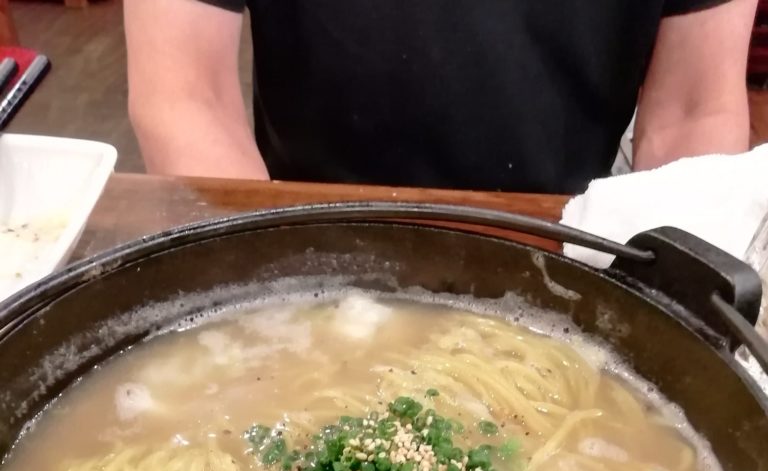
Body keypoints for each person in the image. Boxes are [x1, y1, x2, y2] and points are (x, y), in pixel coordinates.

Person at [124, 0, 757, 192]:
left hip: (567, 239)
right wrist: (275, 298)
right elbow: (185, 94)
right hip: (304, 231)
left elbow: (693, 111)